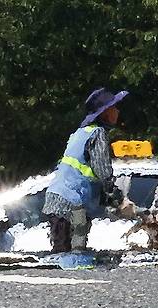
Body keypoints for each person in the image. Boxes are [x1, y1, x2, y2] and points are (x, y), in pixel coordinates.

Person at [43, 87, 126, 253]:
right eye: (114, 108)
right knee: (72, 254)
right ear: (105, 113)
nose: (118, 111)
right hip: (70, 204)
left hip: (58, 200)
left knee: (66, 252)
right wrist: (115, 195)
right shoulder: (98, 133)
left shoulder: (80, 133)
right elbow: (102, 170)